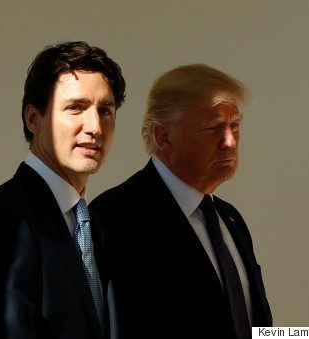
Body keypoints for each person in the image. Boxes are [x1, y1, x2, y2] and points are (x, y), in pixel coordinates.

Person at [0, 41, 126, 339]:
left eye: (105, 110)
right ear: (33, 119)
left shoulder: (93, 224)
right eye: (76, 108)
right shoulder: (1, 220)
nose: (95, 126)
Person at [90, 64, 272, 339]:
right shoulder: (116, 218)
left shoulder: (229, 218)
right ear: (164, 137)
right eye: (213, 128)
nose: (229, 141)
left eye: (234, 126)